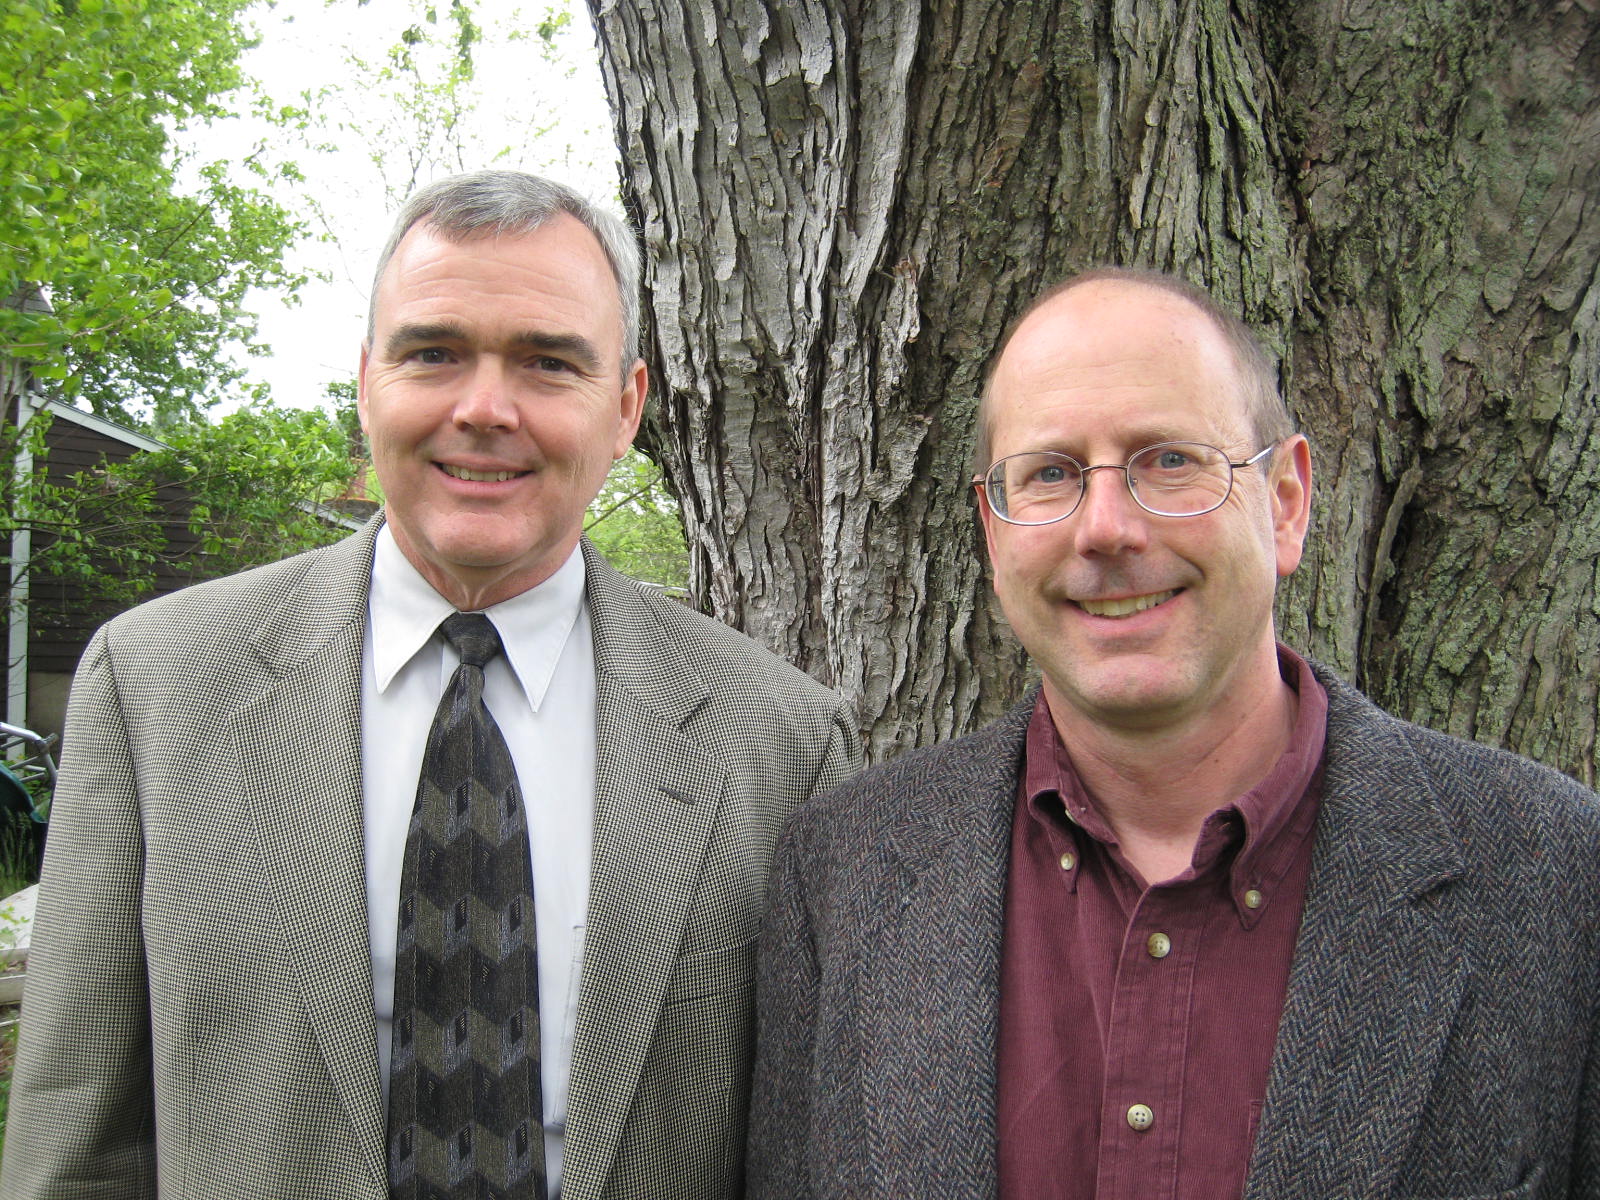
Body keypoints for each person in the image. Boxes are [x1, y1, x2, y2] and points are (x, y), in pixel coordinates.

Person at [3, 170, 861, 1200]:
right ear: (368, 379)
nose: (485, 408)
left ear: (625, 407)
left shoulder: (779, 744)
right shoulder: (155, 690)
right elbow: (76, 1149)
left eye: (548, 362)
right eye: (434, 353)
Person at [746, 267, 1600, 1199]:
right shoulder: (839, 874)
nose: (1106, 529)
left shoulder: (1554, 872)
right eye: (1050, 475)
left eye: (1170, 461)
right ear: (995, 538)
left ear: (1285, 504)